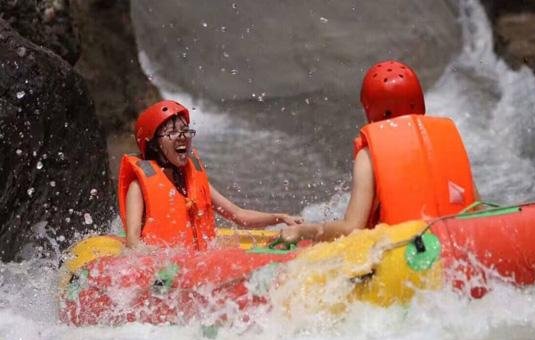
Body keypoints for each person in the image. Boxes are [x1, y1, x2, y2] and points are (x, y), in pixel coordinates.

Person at [281, 60, 478, 243]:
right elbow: (476, 208)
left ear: (370, 109)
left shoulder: (368, 156)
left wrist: (306, 231)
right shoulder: (443, 138)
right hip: (465, 242)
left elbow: (352, 228)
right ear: (419, 100)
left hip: (405, 252)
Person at [119, 100, 302, 249]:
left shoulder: (192, 179)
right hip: (166, 270)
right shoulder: (138, 188)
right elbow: (133, 243)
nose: (182, 136)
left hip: (198, 263)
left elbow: (239, 215)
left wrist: (280, 217)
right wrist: (163, 259)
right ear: (153, 145)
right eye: (172, 132)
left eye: (185, 130)